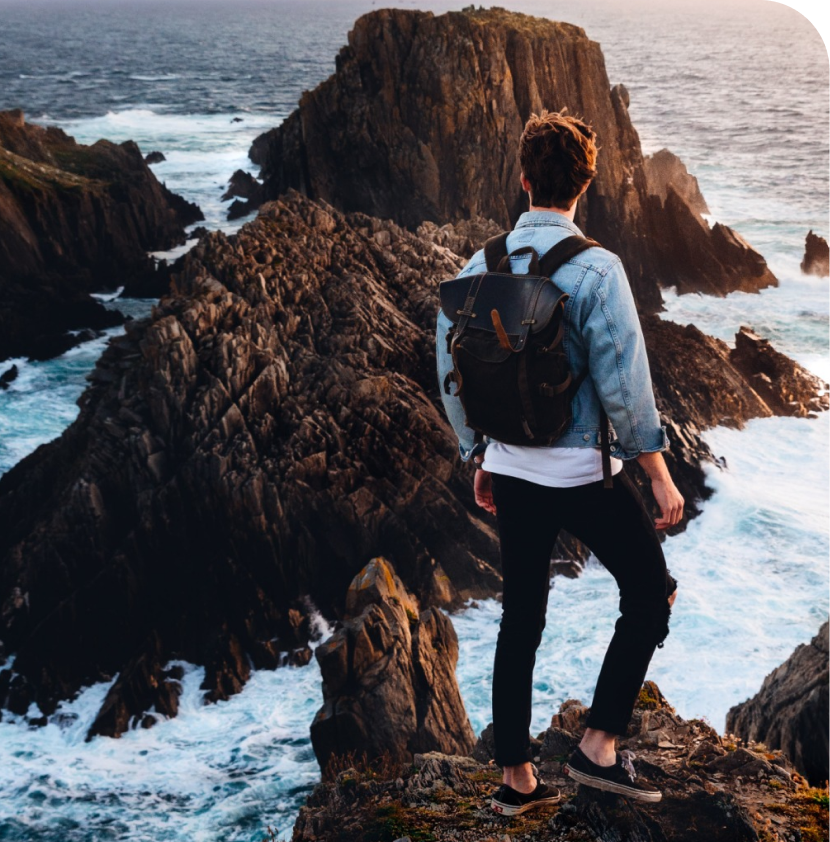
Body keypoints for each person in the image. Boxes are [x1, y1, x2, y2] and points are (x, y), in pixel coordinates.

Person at [435, 109, 683, 814]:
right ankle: (598, 747)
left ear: (521, 178)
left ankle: (516, 779)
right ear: (586, 183)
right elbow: (624, 384)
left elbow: (453, 372)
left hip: (511, 471)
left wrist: (478, 453)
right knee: (649, 593)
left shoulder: (478, 267)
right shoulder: (598, 271)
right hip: (581, 477)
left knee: (522, 618)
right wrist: (658, 475)